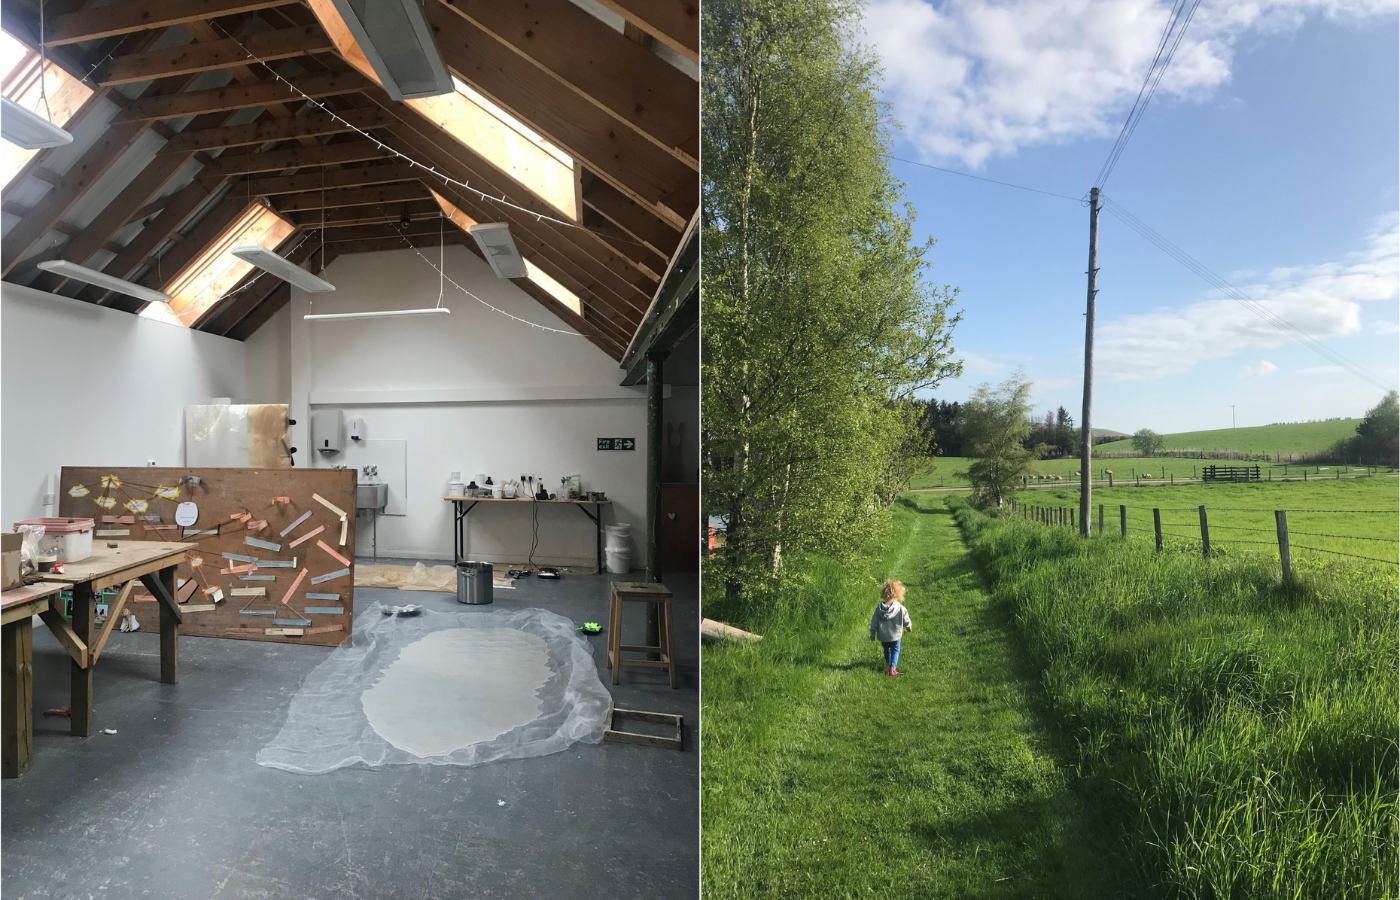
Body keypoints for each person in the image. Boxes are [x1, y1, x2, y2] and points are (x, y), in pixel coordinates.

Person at [869, 580, 912, 676]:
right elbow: (906, 618)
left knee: (886, 650)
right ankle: (892, 668)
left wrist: (872, 633)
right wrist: (908, 627)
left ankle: (889, 664)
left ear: (883, 594)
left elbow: (874, 621)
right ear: (897, 594)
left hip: (883, 636)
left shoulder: (879, 609)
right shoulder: (900, 608)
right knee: (895, 650)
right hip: (895, 635)